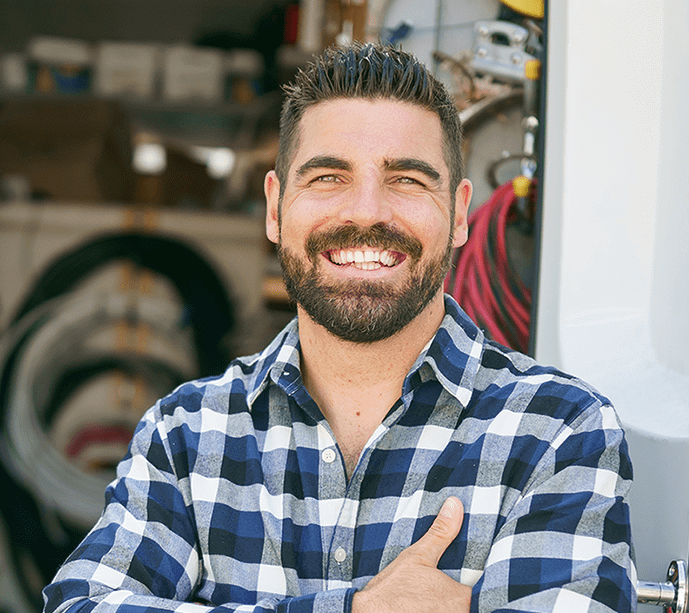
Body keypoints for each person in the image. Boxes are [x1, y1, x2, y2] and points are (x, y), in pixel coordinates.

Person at [42, 42, 635, 613]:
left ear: (458, 214)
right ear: (275, 208)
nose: (367, 211)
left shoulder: (558, 434)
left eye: (407, 179)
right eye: (328, 177)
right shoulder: (188, 436)